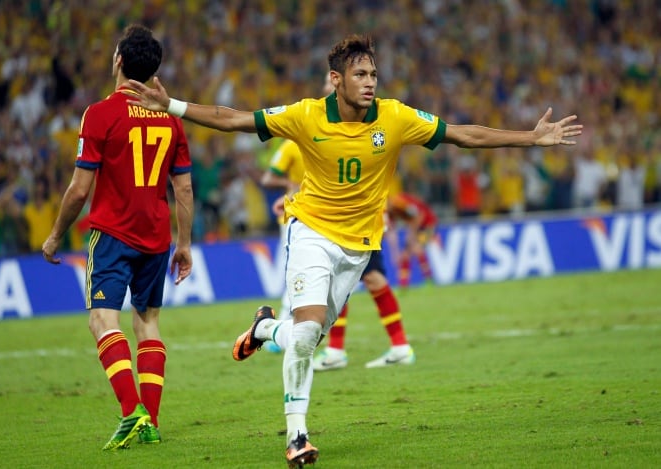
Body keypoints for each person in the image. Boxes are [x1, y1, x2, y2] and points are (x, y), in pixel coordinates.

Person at [126, 34, 582, 467]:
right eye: (360, 74)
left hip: (359, 246)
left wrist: (530, 137)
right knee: (306, 337)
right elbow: (234, 119)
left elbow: (463, 135)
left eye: (374, 75)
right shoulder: (306, 115)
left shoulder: (396, 117)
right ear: (337, 79)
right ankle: (296, 436)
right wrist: (173, 106)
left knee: (308, 337)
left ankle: (265, 328)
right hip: (310, 233)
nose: (370, 83)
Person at [41, 25, 194, 451]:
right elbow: (182, 189)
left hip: (111, 234)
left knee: (101, 320)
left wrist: (55, 236)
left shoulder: (101, 113)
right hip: (156, 237)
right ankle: (152, 421)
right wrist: (184, 244)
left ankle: (132, 412)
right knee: (147, 323)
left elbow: (78, 189)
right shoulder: (171, 119)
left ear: (119, 62)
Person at [263, 138, 415, 369]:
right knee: (366, 281)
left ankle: (340, 351)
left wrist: (294, 200)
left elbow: (339, 187)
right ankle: (391, 346)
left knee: (344, 283)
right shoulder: (343, 140)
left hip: (353, 223)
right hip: (354, 221)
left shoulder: (346, 140)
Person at [386, 191, 438, 288]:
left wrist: (411, 235)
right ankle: (403, 284)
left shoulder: (399, 203)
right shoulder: (389, 212)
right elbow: (391, 233)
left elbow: (419, 215)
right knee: (406, 255)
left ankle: (429, 280)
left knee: (417, 249)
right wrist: (395, 253)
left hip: (428, 225)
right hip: (416, 227)